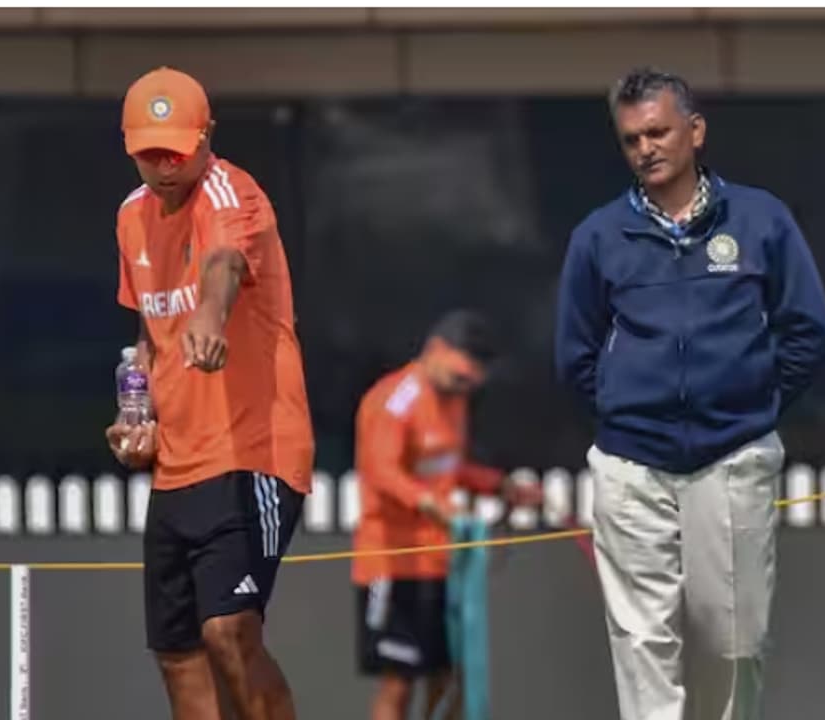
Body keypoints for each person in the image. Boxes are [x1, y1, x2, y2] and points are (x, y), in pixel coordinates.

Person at [554, 67, 825, 720]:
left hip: (733, 457)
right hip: (631, 464)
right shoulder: (598, 236)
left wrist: (749, 406)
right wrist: (628, 415)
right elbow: (575, 356)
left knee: (733, 641)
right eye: (631, 139)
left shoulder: (761, 219)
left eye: (658, 132)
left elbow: (809, 334)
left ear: (696, 131)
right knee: (642, 641)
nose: (645, 148)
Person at [103, 66, 314, 720]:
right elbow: (149, 333)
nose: (165, 167)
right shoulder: (131, 216)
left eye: (177, 151)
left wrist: (209, 315)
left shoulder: (230, 190)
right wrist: (136, 417)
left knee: (230, 632)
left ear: (207, 136)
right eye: (149, 153)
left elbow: (223, 263)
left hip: (251, 452)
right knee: (178, 653)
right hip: (176, 465)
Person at [352, 310, 543, 720]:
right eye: (460, 375)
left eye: (471, 381)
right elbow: (380, 470)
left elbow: (450, 469)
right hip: (393, 562)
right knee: (398, 682)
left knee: (452, 678)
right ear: (436, 350)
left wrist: (501, 486)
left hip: (442, 562)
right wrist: (428, 503)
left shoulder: (454, 400)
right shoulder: (397, 399)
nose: (464, 386)